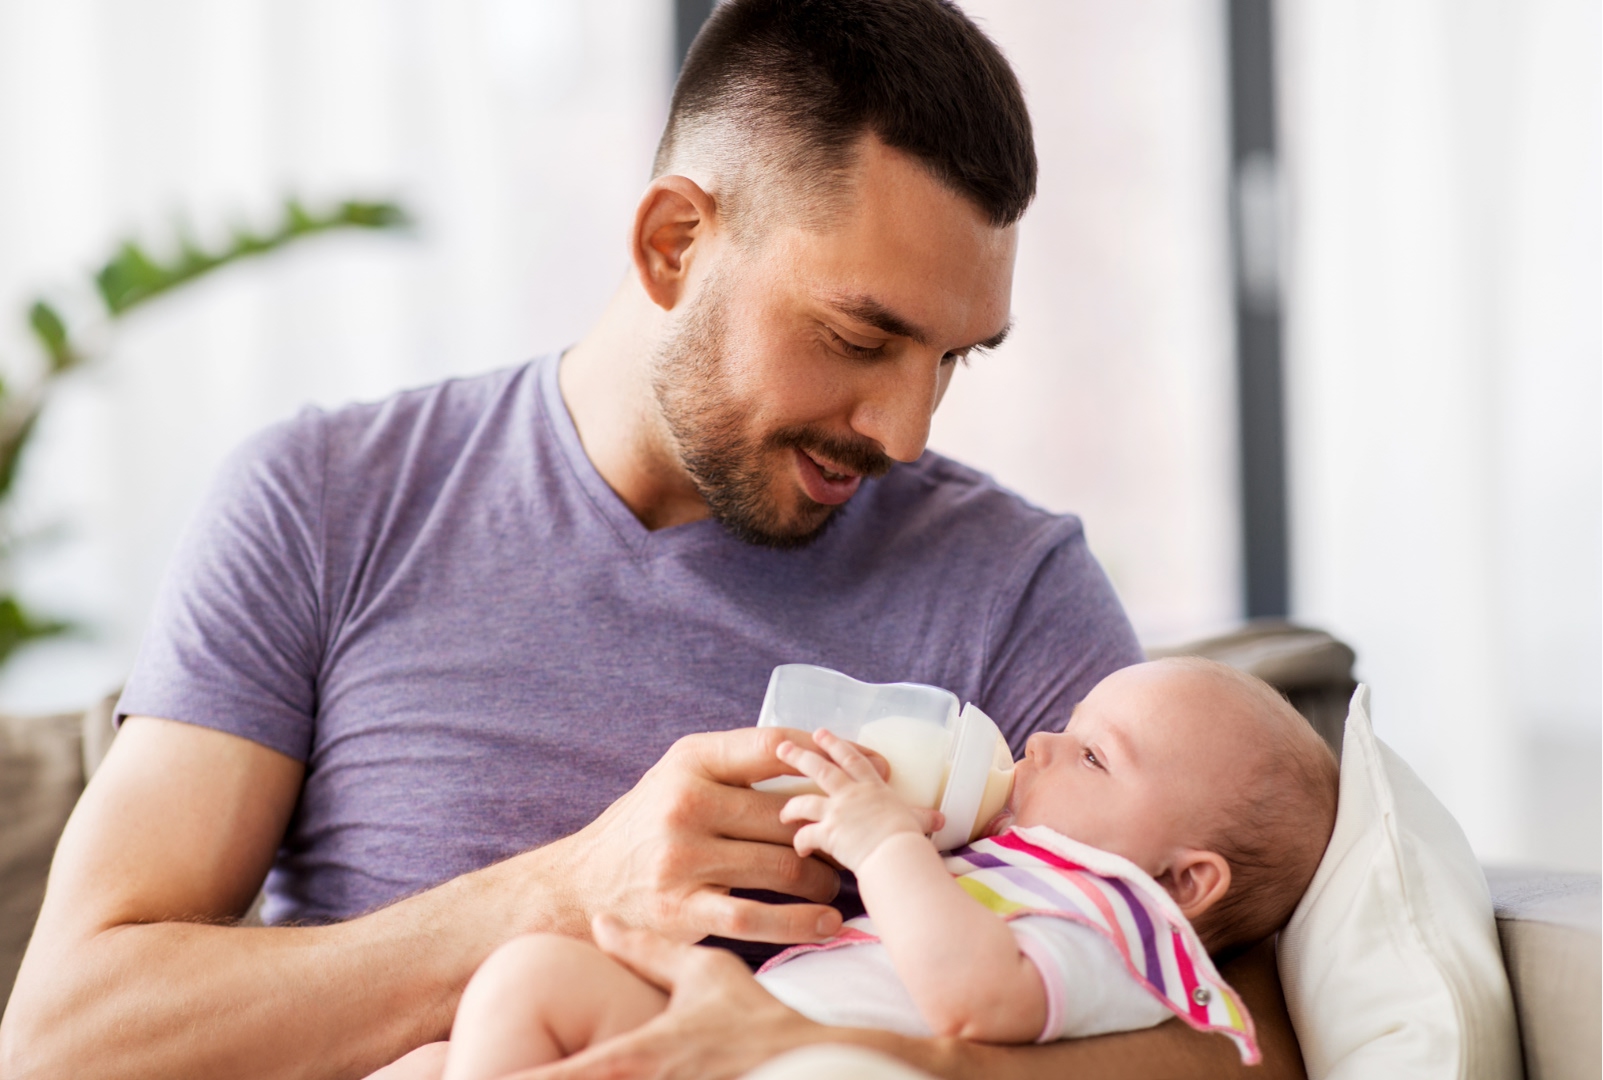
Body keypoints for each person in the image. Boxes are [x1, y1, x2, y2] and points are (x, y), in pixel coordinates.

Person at [0, 2, 1309, 1078]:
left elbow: (1235, 1044)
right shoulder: (325, 503)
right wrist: (562, 892)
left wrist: (847, 1057)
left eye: (951, 358)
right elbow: (70, 1039)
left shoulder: (1008, 588)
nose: (905, 432)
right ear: (673, 241)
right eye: (858, 339)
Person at [423, 659, 1339, 1079]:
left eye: (1097, 758)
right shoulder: (1006, 861)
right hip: (721, 1042)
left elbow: (973, 1001)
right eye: (1070, 722)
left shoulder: (1112, 926)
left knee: (528, 983)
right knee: (473, 1027)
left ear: (1185, 882)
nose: (1045, 743)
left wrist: (885, 844)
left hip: (819, 1065)